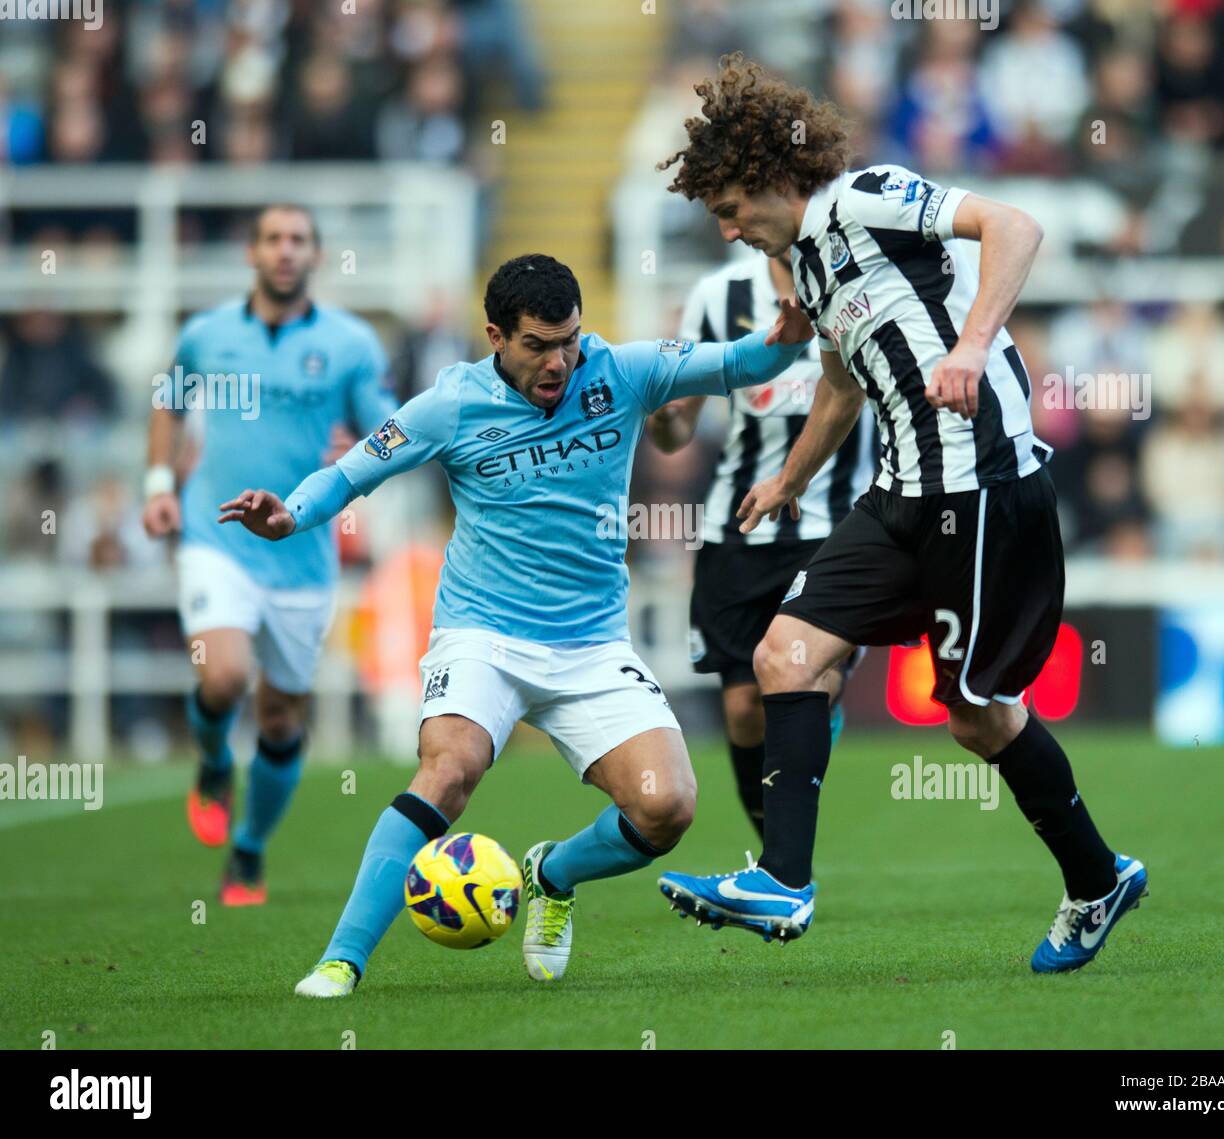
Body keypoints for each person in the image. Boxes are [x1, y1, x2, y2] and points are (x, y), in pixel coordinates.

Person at [654, 54, 1147, 973]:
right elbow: (844, 377)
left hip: (984, 483)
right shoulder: (799, 262)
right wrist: (794, 478)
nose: (726, 229)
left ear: (767, 177)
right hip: (901, 494)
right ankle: (783, 881)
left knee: (973, 715)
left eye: (728, 207)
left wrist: (969, 345)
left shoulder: (863, 196)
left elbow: (1015, 223)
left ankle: (1096, 876)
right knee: (783, 653)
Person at [217, 253, 814, 996]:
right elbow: (351, 472)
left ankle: (551, 873)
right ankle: (341, 958)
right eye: (537, 344)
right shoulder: (451, 403)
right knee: (450, 767)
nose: (559, 360)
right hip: (483, 635)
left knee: (668, 806)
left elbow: (743, 359)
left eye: (568, 340)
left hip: (592, 643)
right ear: (496, 335)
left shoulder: (621, 372)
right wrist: (291, 513)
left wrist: (787, 333)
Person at [142, 204, 395, 906]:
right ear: (251, 252)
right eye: (273, 239)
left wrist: (362, 452)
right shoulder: (206, 335)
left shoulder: (350, 344)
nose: (286, 252)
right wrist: (160, 483)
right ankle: (216, 758)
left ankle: (248, 849)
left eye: (299, 240)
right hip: (214, 534)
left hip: (301, 549)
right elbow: (167, 402)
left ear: (316, 254)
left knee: (282, 716)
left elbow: (390, 429)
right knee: (222, 677)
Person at [646, 247, 873, 837]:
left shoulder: (859, 278)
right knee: (745, 710)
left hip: (839, 526)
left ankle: (785, 868)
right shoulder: (719, 296)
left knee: (806, 684)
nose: (731, 224)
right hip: (740, 526)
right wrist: (661, 417)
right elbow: (679, 427)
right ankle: (775, 854)